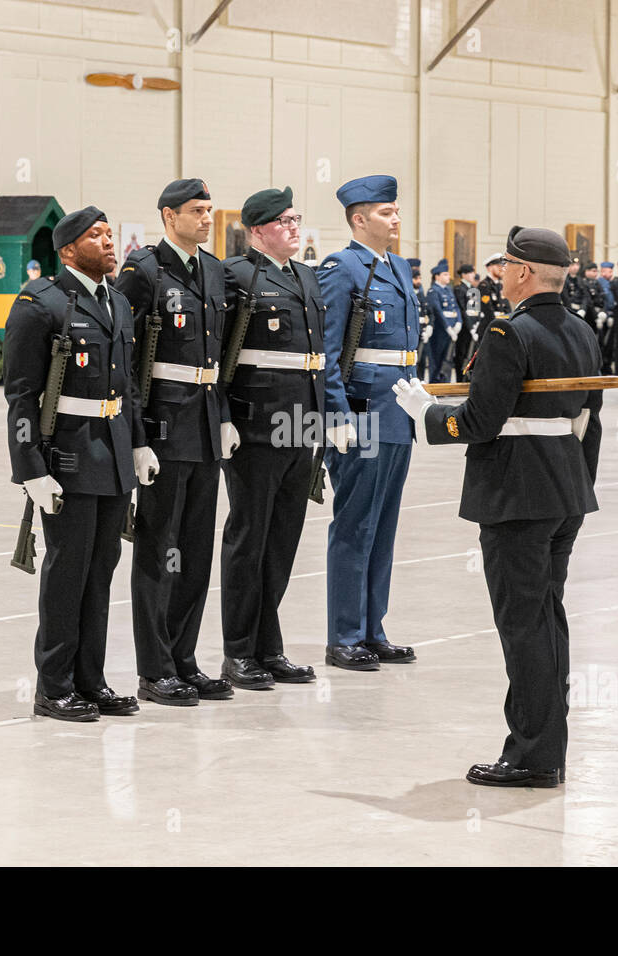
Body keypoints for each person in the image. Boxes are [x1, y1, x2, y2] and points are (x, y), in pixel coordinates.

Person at [392, 225, 602, 788]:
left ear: (525, 273)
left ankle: (533, 756)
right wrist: (580, 487)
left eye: (507, 264)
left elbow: (480, 421)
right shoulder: (581, 331)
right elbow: (591, 422)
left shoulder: (511, 333)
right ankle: (545, 749)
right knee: (547, 620)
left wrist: (426, 414)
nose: (500, 272)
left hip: (517, 497)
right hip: (565, 493)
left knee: (524, 627)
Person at [3, 205, 141, 722]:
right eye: (96, 236)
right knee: (67, 574)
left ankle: (91, 679)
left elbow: (128, 389)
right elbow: (20, 395)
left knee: (101, 570)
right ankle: (54, 685)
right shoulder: (41, 304)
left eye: (110, 233)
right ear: (68, 250)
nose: (109, 242)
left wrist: (139, 445)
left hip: (113, 454)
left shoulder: (119, 304)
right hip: (66, 458)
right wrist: (31, 468)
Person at [116, 178, 234, 707]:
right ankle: (154, 668)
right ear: (169, 215)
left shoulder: (213, 270)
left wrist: (225, 416)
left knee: (195, 553)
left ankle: (185, 660)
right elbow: (124, 356)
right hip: (164, 428)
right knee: (159, 551)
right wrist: (137, 437)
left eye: (210, 209)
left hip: (205, 426)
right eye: (196, 210)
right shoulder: (143, 272)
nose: (207, 218)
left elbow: (218, 356)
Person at [217, 186, 322, 690]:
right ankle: (238, 652)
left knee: (282, 542)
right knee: (248, 540)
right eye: (283, 221)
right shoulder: (234, 277)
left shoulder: (305, 276)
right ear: (256, 230)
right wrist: (224, 418)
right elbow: (219, 358)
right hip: (255, 428)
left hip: (302, 426)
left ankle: (268, 646)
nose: (294, 228)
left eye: (297, 219)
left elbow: (315, 361)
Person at [316, 173, 420, 671]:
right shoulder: (342, 268)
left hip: (398, 408)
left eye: (396, 210)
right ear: (359, 219)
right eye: (386, 212)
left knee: (383, 525)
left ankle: (373, 629)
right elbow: (328, 351)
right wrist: (335, 416)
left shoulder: (397, 266)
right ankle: (344, 635)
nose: (395, 218)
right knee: (355, 524)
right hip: (362, 412)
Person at [424, 259, 460, 383]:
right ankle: (436, 384)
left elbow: (456, 307)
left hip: (451, 329)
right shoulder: (433, 290)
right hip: (440, 331)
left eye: (448, 274)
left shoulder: (448, 290)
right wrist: (448, 328)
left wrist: (459, 322)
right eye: (445, 274)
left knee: (448, 358)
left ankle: (446, 383)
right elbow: (438, 312)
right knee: (437, 358)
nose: (448, 276)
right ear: (437, 276)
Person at [452, 263, 482, 381]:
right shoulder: (459, 289)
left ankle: (468, 377)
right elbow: (463, 310)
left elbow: (475, 310)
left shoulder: (472, 289)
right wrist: (471, 327)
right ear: (464, 275)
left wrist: (477, 324)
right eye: (470, 273)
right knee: (462, 353)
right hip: (464, 327)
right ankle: (461, 379)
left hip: (473, 326)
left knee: (471, 353)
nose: (473, 275)